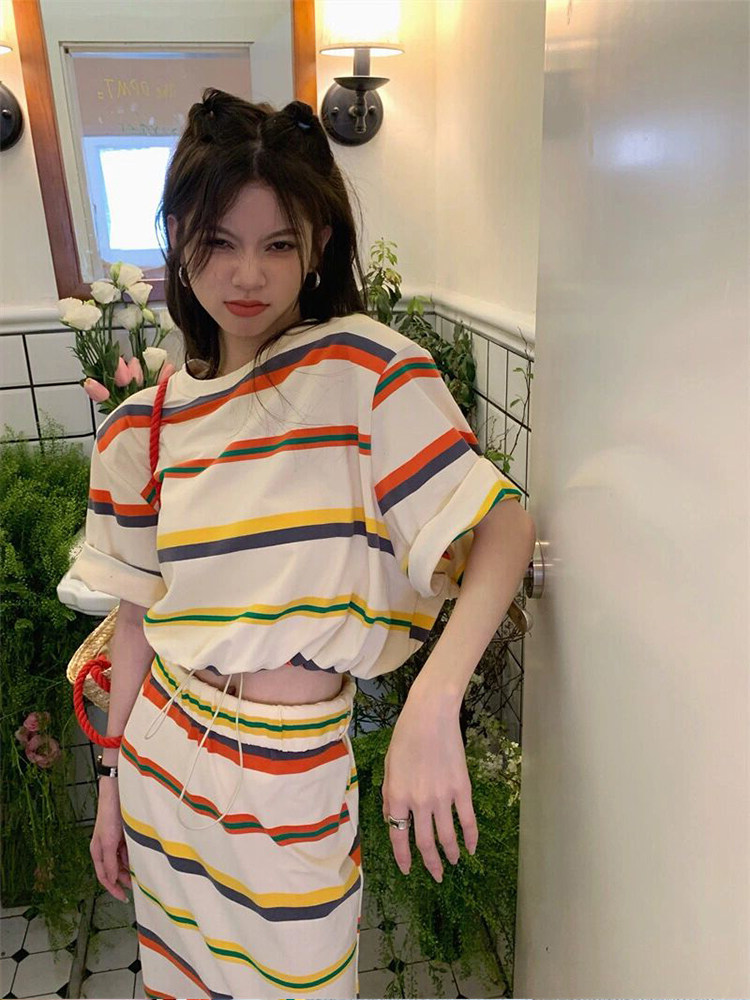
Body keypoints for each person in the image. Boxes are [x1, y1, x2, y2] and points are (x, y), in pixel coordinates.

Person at [68, 88, 535, 1000]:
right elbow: (134, 621)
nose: (248, 275)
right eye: (220, 242)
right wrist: (114, 785)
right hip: (162, 755)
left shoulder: (364, 373)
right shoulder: (139, 429)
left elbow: (505, 525)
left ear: (317, 245)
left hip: (290, 772)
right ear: (179, 241)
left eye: (278, 244)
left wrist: (432, 700)